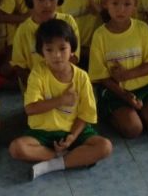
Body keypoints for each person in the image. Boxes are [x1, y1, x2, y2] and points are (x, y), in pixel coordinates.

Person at [8, 19, 113, 180]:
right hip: (42, 132)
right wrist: (61, 100)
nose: (56, 55)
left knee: (105, 146)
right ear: (42, 52)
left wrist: (72, 137)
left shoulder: (82, 77)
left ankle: (52, 164)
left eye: (62, 48)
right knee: (16, 148)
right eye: (49, 50)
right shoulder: (38, 73)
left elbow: (86, 115)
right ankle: (70, 157)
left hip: (73, 131)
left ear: (72, 50)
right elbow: (30, 108)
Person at [89, 0, 148, 139]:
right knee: (133, 129)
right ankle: (111, 113)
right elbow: (100, 76)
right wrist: (125, 95)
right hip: (115, 91)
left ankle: (138, 111)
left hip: (144, 87)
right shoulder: (100, 35)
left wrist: (128, 75)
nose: (121, 9)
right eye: (115, 3)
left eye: (127, 4)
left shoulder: (142, 29)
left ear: (135, 4)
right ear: (105, 3)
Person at [10, 0, 80, 84]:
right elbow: (19, 66)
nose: (47, 4)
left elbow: (74, 58)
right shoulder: (23, 30)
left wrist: (56, 83)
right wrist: (39, 86)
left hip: (65, 84)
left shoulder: (68, 22)